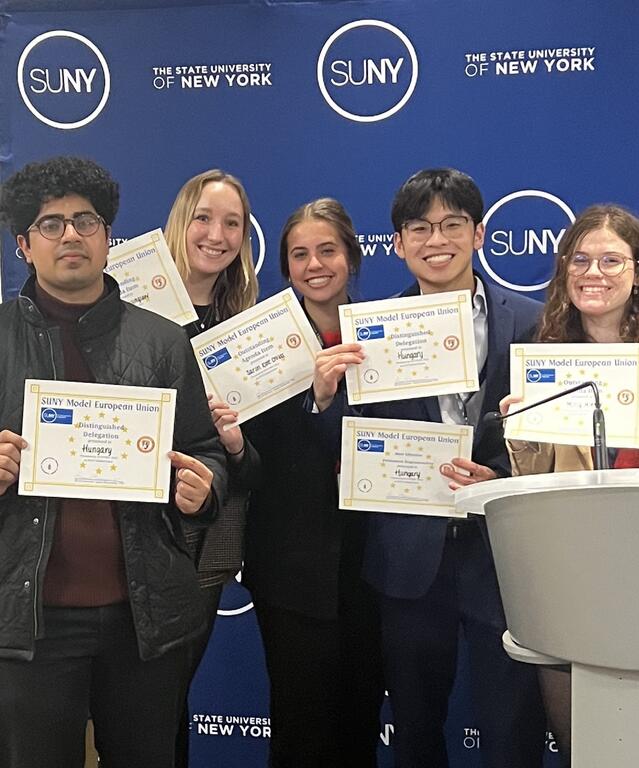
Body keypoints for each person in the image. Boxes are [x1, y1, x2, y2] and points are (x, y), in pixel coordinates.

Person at [311, 168, 546, 767]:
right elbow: (344, 448)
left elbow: (553, 437)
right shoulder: (369, 333)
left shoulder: (534, 322)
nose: (435, 239)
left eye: (451, 225)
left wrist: (506, 474)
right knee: (415, 728)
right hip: (409, 557)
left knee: (512, 726)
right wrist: (323, 397)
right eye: (419, 228)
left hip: (505, 553)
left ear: (479, 234)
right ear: (398, 243)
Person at [0, 155, 226, 768]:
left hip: (143, 618)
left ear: (107, 237)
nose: (70, 234)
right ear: (24, 245)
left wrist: (204, 488)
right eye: (51, 224)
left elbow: (208, 455)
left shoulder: (162, 340)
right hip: (30, 622)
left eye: (85, 220)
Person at [499, 204, 639, 764]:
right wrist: (520, 436)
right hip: (570, 578)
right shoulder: (544, 359)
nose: (594, 273)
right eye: (580, 259)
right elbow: (533, 486)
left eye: (612, 261)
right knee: (581, 744)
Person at [239, 199, 384, 766]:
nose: (314, 264)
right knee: (299, 727)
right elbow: (253, 458)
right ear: (285, 268)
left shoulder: (387, 334)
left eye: (327, 250)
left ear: (351, 256)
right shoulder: (259, 344)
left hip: (371, 565)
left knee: (360, 719)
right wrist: (315, 402)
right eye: (299, 254)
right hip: (290, 567)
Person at [164, 169, 259, 766]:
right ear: (180, 223)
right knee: (138, 699)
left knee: (171, 694)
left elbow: (253, 469)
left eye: (232, 223)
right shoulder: (125, 302)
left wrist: (236, 445)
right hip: (129, 527)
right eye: (203, 217)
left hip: (207, 535)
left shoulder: (251, 328)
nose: (216, 234)